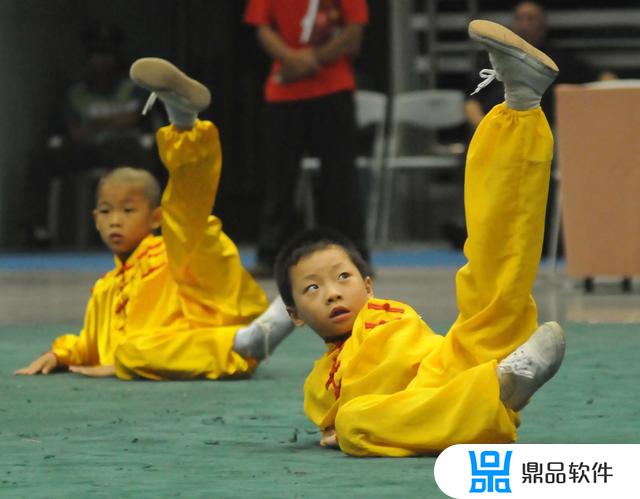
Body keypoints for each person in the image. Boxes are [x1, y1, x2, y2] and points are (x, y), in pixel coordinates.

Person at [274, 20, 566, 456]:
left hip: (459, 359)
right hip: (443, 401)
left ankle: (521, 102)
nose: (333, 293)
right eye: (313, 289)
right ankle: (500, 390)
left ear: (369, 286)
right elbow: (343, 421)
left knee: (489, 257)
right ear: (295, 314)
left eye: (342, 277)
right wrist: (340, 428)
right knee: (355, 423)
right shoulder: (319, 386)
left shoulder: (387, 317)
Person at [16, 58, 293, 380]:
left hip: (207, 294)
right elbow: (91, 344)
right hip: (201, 348)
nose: (115, 221)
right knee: (132, 350)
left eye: (128, 210)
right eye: (106, 212)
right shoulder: (107, 289)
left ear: (153, 218)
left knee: (186, 220)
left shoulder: (163, 254)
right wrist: (57, 354)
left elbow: (184, 217)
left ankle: (183, 122)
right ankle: (250, 341)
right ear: (95, 219)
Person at [244, 0, 370, 278]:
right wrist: (292, 57)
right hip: (283, 91)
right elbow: (263, 28)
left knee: (340, 177)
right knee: (280, 178)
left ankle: (352, 253)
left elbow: (354, 30)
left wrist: (311, 58)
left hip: (333, 88)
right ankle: (272, 254)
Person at [27, 21, 160, 246]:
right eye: (97, 54)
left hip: (121, 148)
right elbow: (74, 131)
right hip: (86, 149)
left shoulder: (132, 86)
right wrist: (111, 122)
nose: (103, 60)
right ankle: (36, 228)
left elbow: (134, 118)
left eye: (108, 54)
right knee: (41, 157)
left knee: (143, 154)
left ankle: (145, 227)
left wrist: (97, 123)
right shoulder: (77, 92)